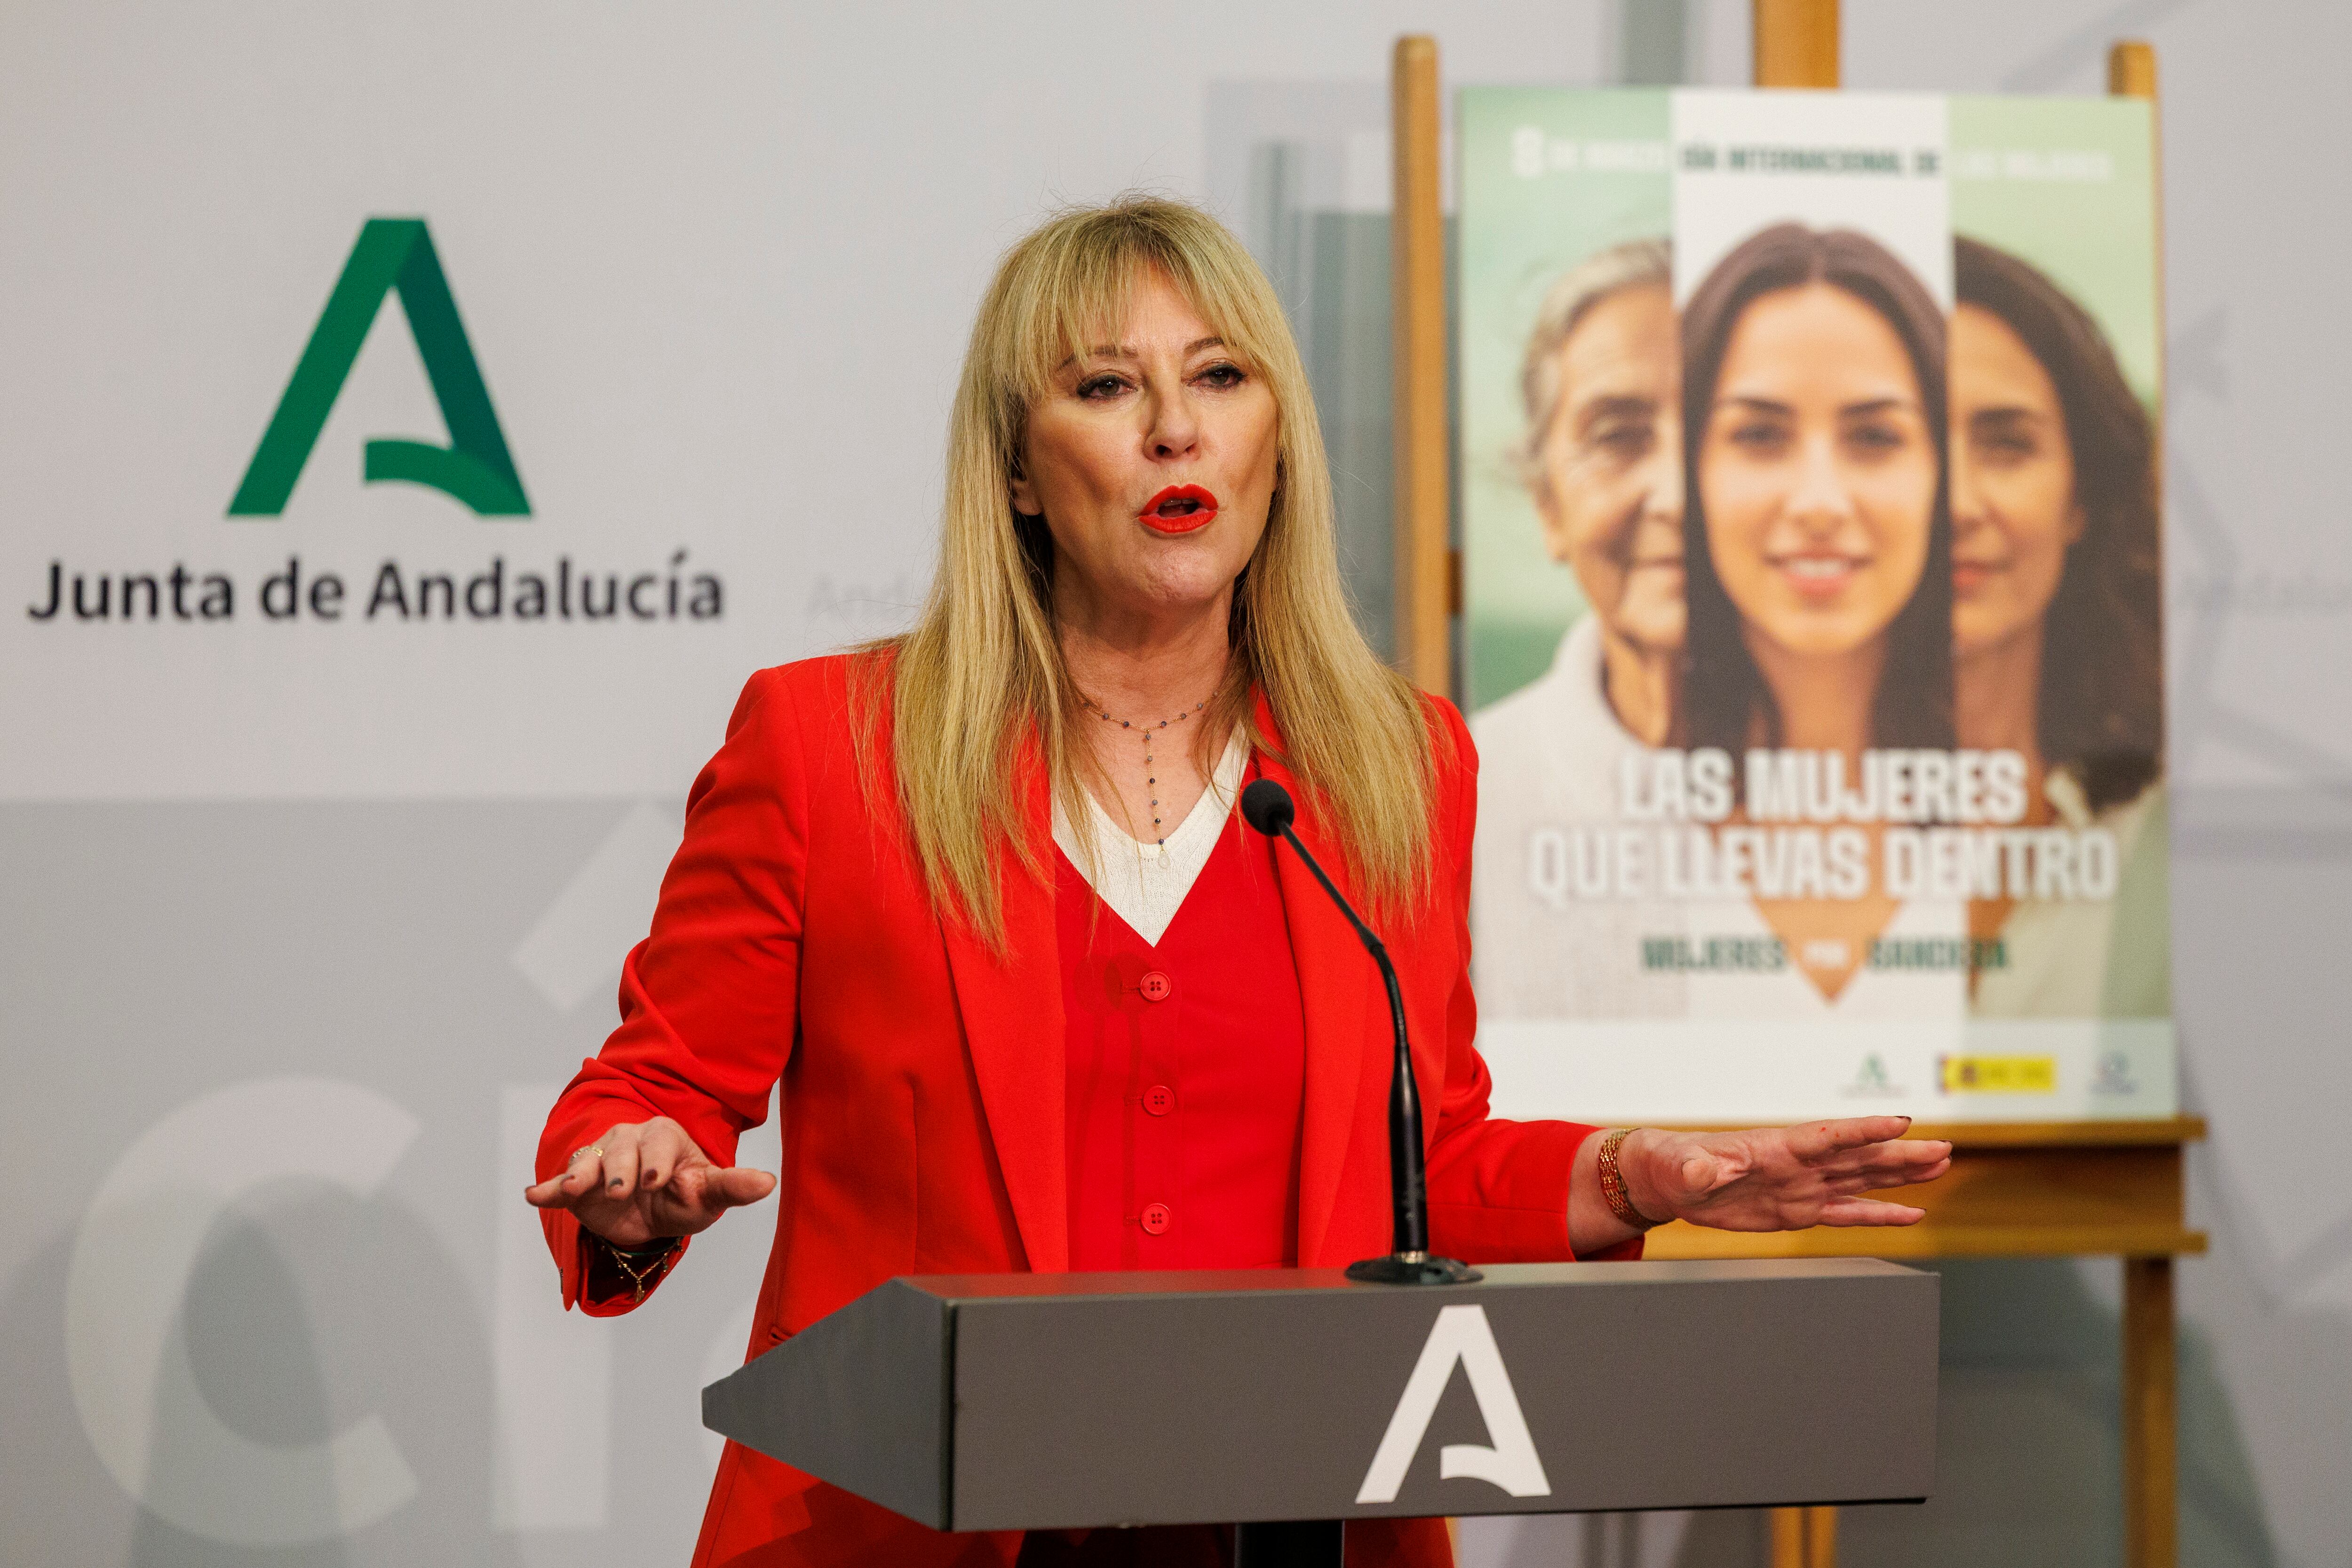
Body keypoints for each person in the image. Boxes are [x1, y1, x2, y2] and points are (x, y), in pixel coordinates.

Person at [521, 197, 1952, 1568]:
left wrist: (1634, 1174)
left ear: (1277, 438)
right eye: (1103, 384)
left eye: (1219, 374)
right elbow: (654, 1085)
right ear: (1017, 469)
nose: (1173, 426)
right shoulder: (831, 745)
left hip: (1302, 1526)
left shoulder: (1397, 759)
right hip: (907, 1530)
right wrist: (628, 1167)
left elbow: (1425, 1160)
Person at [1676, 223, 1962, 1012]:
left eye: (1875, 436)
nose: (1819, 502)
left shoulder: (2043, 789)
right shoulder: (1531, 774)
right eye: (1759, 435)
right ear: (1691, 465)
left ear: (1943, 466)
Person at [1471, 239, 1694, 1017]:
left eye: (1741, 433)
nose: (1677, 494)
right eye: (1618, 434)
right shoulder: (1461, 798)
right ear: (1547, 505)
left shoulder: (1920, 784)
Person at [1949, 236, 2168, 1017]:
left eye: (2008, 445)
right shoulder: (1707, 812)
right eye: (1891, 439)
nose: (1959, 504)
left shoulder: (2170, 815)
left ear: (2081, 496)